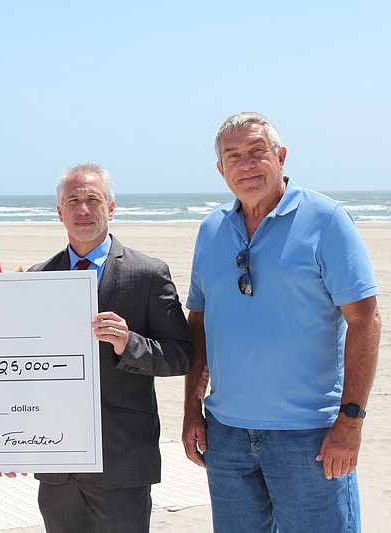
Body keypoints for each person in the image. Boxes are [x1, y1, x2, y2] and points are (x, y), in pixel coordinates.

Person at [182, 112, 382, 532]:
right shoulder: (211, 229)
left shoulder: (327, 220)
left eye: (258, 152)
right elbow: (198, 325)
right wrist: (191, 411)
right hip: (228, 435)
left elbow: (366, 322)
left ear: (281, 156)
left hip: (310, 436)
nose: (247, 164)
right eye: (233, 156)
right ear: (221, 170)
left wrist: (350, 422)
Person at [28, 163, 193, 532]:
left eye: (92, 200)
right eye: (73, 201)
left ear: (111, 208)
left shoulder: (148, 273)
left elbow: (181, 355)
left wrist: (129, 344)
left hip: (123, 459)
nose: (83, 210)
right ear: (59, 211)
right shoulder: (37, 278)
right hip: (57, 462)